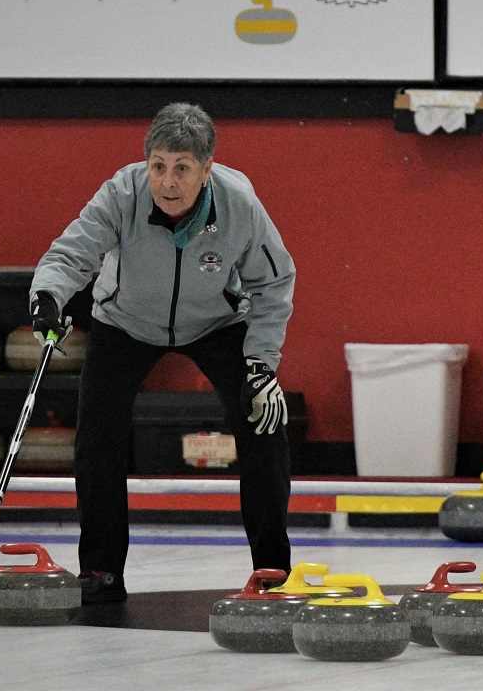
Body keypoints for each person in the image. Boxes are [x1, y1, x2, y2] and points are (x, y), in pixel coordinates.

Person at [30, 103, 296, 602]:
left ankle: (272, 571)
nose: (167, 182)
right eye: (158, 166)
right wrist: (48, 296)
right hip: (124, 322)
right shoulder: (121, 193)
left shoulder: (239, 205)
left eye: (181, 168)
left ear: (207, 169)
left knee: (265, 427)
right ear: (146, 163)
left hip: (217, 322)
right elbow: (71, 254)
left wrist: (262, 364)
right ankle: (102, 572)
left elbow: (274, 282)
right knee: (96, 438)